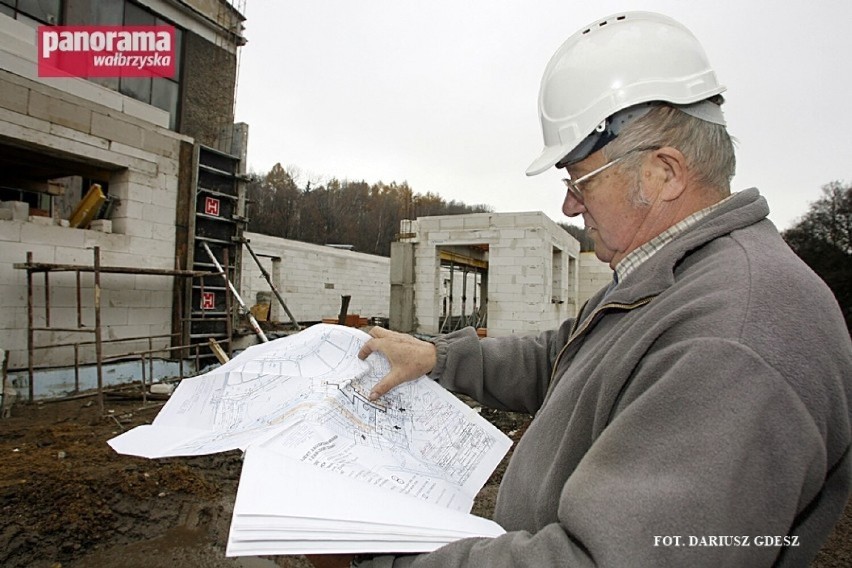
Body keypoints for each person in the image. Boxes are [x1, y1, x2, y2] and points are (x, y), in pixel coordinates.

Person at [308, 11, 852, 568]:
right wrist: (436, 356)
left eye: (579, 180)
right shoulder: (672, 279)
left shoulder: (734, 338)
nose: (569, 204)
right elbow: (564, 359)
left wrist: (374, 563)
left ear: (663, 172)